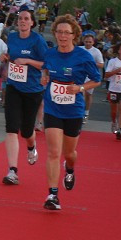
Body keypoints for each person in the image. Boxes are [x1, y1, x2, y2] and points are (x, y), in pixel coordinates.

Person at [40, 14, 102, 211]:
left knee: (69, 153)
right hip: (53, 107)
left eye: (67, 33)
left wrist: (80, 88)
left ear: (74, 35)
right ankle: (52, 194)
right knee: (53, 152)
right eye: (59, 32)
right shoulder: (50, 54)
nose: (62, 36)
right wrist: (44, 77)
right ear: (55, 33)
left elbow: (96, 79)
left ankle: (70, 169)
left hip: (73, 110)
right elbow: (45, 70)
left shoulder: (83, 56)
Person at [1, 8, 47, 185]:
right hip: (13, 87)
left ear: (32, 23)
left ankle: (31, 146)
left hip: (32, 91)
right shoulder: (12, 37)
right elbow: (11, 56)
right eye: (20, 18)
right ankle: (12, 171)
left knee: (27, 131)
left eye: (26, 19)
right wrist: (7, 58)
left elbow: (46, 63)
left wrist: (27, 61)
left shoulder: (38, 41)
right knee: (11, 128)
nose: (22, 21)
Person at [81, 32, 104, 123]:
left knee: (88, 94)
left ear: (93, 42)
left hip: (90, 76)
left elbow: (101, 64)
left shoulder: (96, 52)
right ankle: (79, 113)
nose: (88, 43)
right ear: (83, 41)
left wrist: (91, 64)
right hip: (80, 75)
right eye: (86, 42)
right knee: (80, 93)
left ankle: (86, 112)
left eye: (90, 42)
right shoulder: (79, 49)